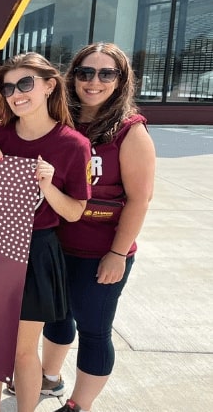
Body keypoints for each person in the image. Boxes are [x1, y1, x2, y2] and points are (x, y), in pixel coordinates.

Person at [40, 43, 155, 412]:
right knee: (56, 320)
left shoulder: (129, 132)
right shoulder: (59, 122)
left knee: (93, 330)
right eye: (86, 72)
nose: (94, 82)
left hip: (99, 253)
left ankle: (79, 404)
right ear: (72, 77)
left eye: (107, 73)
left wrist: (117, 254)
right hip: (57, 245)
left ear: (121, 81)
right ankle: (49, 378)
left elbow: (139, 199)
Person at [0, 52, 91, 412]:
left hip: (37, 251)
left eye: (25, 83)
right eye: (8, 87)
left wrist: (48, 186)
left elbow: (74, 212)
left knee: (24, 350)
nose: (16, 93)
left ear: (49, 86)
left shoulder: (73, 144)